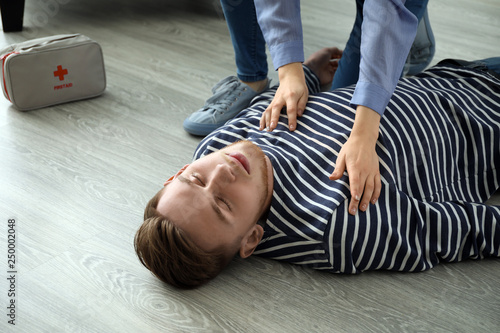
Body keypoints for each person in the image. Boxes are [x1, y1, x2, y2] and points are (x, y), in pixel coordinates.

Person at [136, 48, 500, 288]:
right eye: (224, 204)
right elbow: (448, 231)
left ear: (178, 172)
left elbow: (272, 105)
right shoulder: (333, 229)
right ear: (251, 239)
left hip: (450, 76)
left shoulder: (214, 147)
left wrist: (308, 73)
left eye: (195, 178)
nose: (222, 172)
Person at [183, 0, 435, 217]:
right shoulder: (212, 149)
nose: (220, 174)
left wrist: (365, 132)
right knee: (337, 106)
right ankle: (252, 77)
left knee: (350, 109)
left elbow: (384, 9)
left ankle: (410, 22)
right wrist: (291, 72)